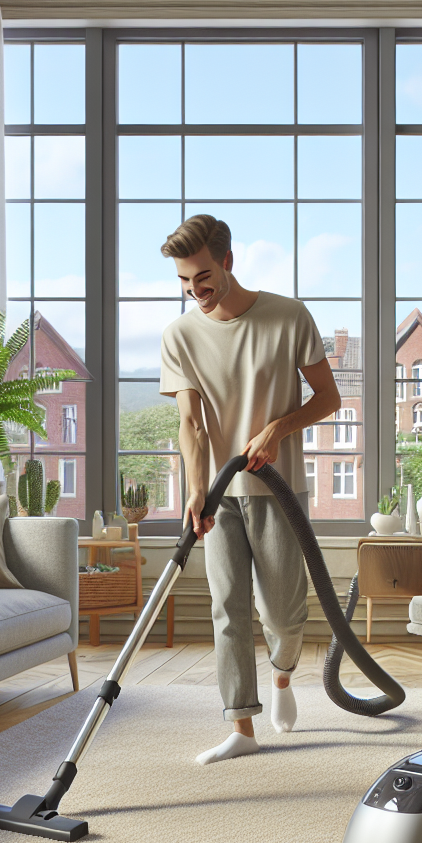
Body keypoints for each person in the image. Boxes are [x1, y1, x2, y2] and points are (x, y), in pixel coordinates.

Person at [158, 215, 342, 764]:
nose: (196, 293)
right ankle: (241, 726)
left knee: (283, 615)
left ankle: (282, 676)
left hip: (277, 489)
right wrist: (196, 490)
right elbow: (189, 424)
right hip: (218, 493)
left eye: (204, 279)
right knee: (226, 609)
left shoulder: (287, 316)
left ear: (228, 262)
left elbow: (328, 399)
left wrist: (277, 427)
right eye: (186, 284)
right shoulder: (181, 335)